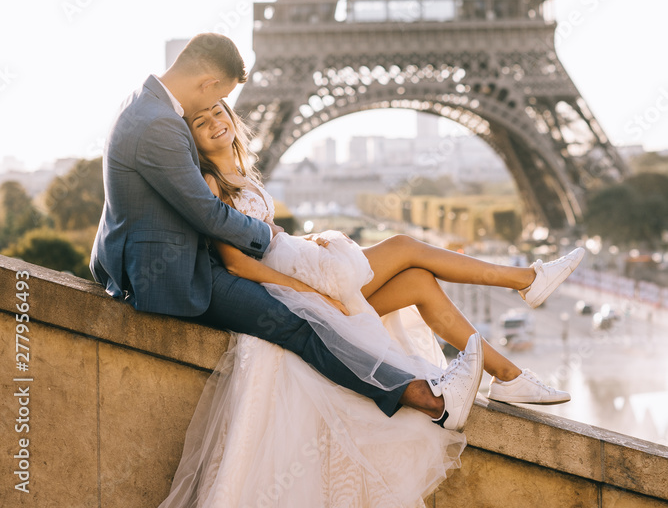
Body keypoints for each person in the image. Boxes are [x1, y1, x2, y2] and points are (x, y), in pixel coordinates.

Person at [89, 34, 484, 507]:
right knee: (298, 324)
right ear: (210, 80)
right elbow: (209, 216)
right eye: (218, 97)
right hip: (173, 275)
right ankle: (430, 400)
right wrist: (271, 237)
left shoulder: (145, 103)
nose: (219, 109)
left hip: (167, 260)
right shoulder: (159, 123)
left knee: (321, 305)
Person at [156, 92, 584, 508]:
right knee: (405, 246)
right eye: (201, 122)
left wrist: (307, 239)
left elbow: (265, 234)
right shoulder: (210, 182)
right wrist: (309, 293)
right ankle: (527, 279)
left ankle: (508, 376)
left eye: (219, 112)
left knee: (417, 280)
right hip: (292, 283)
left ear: (232, 116)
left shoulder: (243, 175)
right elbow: (236, 263)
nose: (215, 123)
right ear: (192, 139)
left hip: (301, 263)